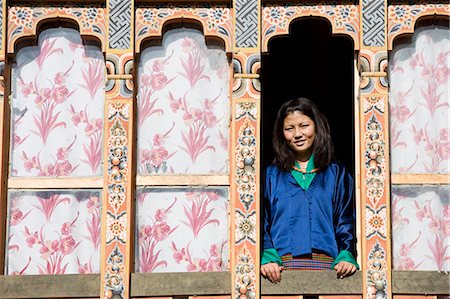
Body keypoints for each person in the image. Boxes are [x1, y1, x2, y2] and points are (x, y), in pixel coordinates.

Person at [261, 97, 359, 283]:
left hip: (330, 269)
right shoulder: (270, 175)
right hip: (279, 270)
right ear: (281, 134)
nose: (297, 134)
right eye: (289, 129)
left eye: (304, 125)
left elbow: (346, 218)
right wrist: (267, 255)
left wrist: (346, 253)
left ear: (316, 126)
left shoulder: (336, 172)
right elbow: (261, 219)